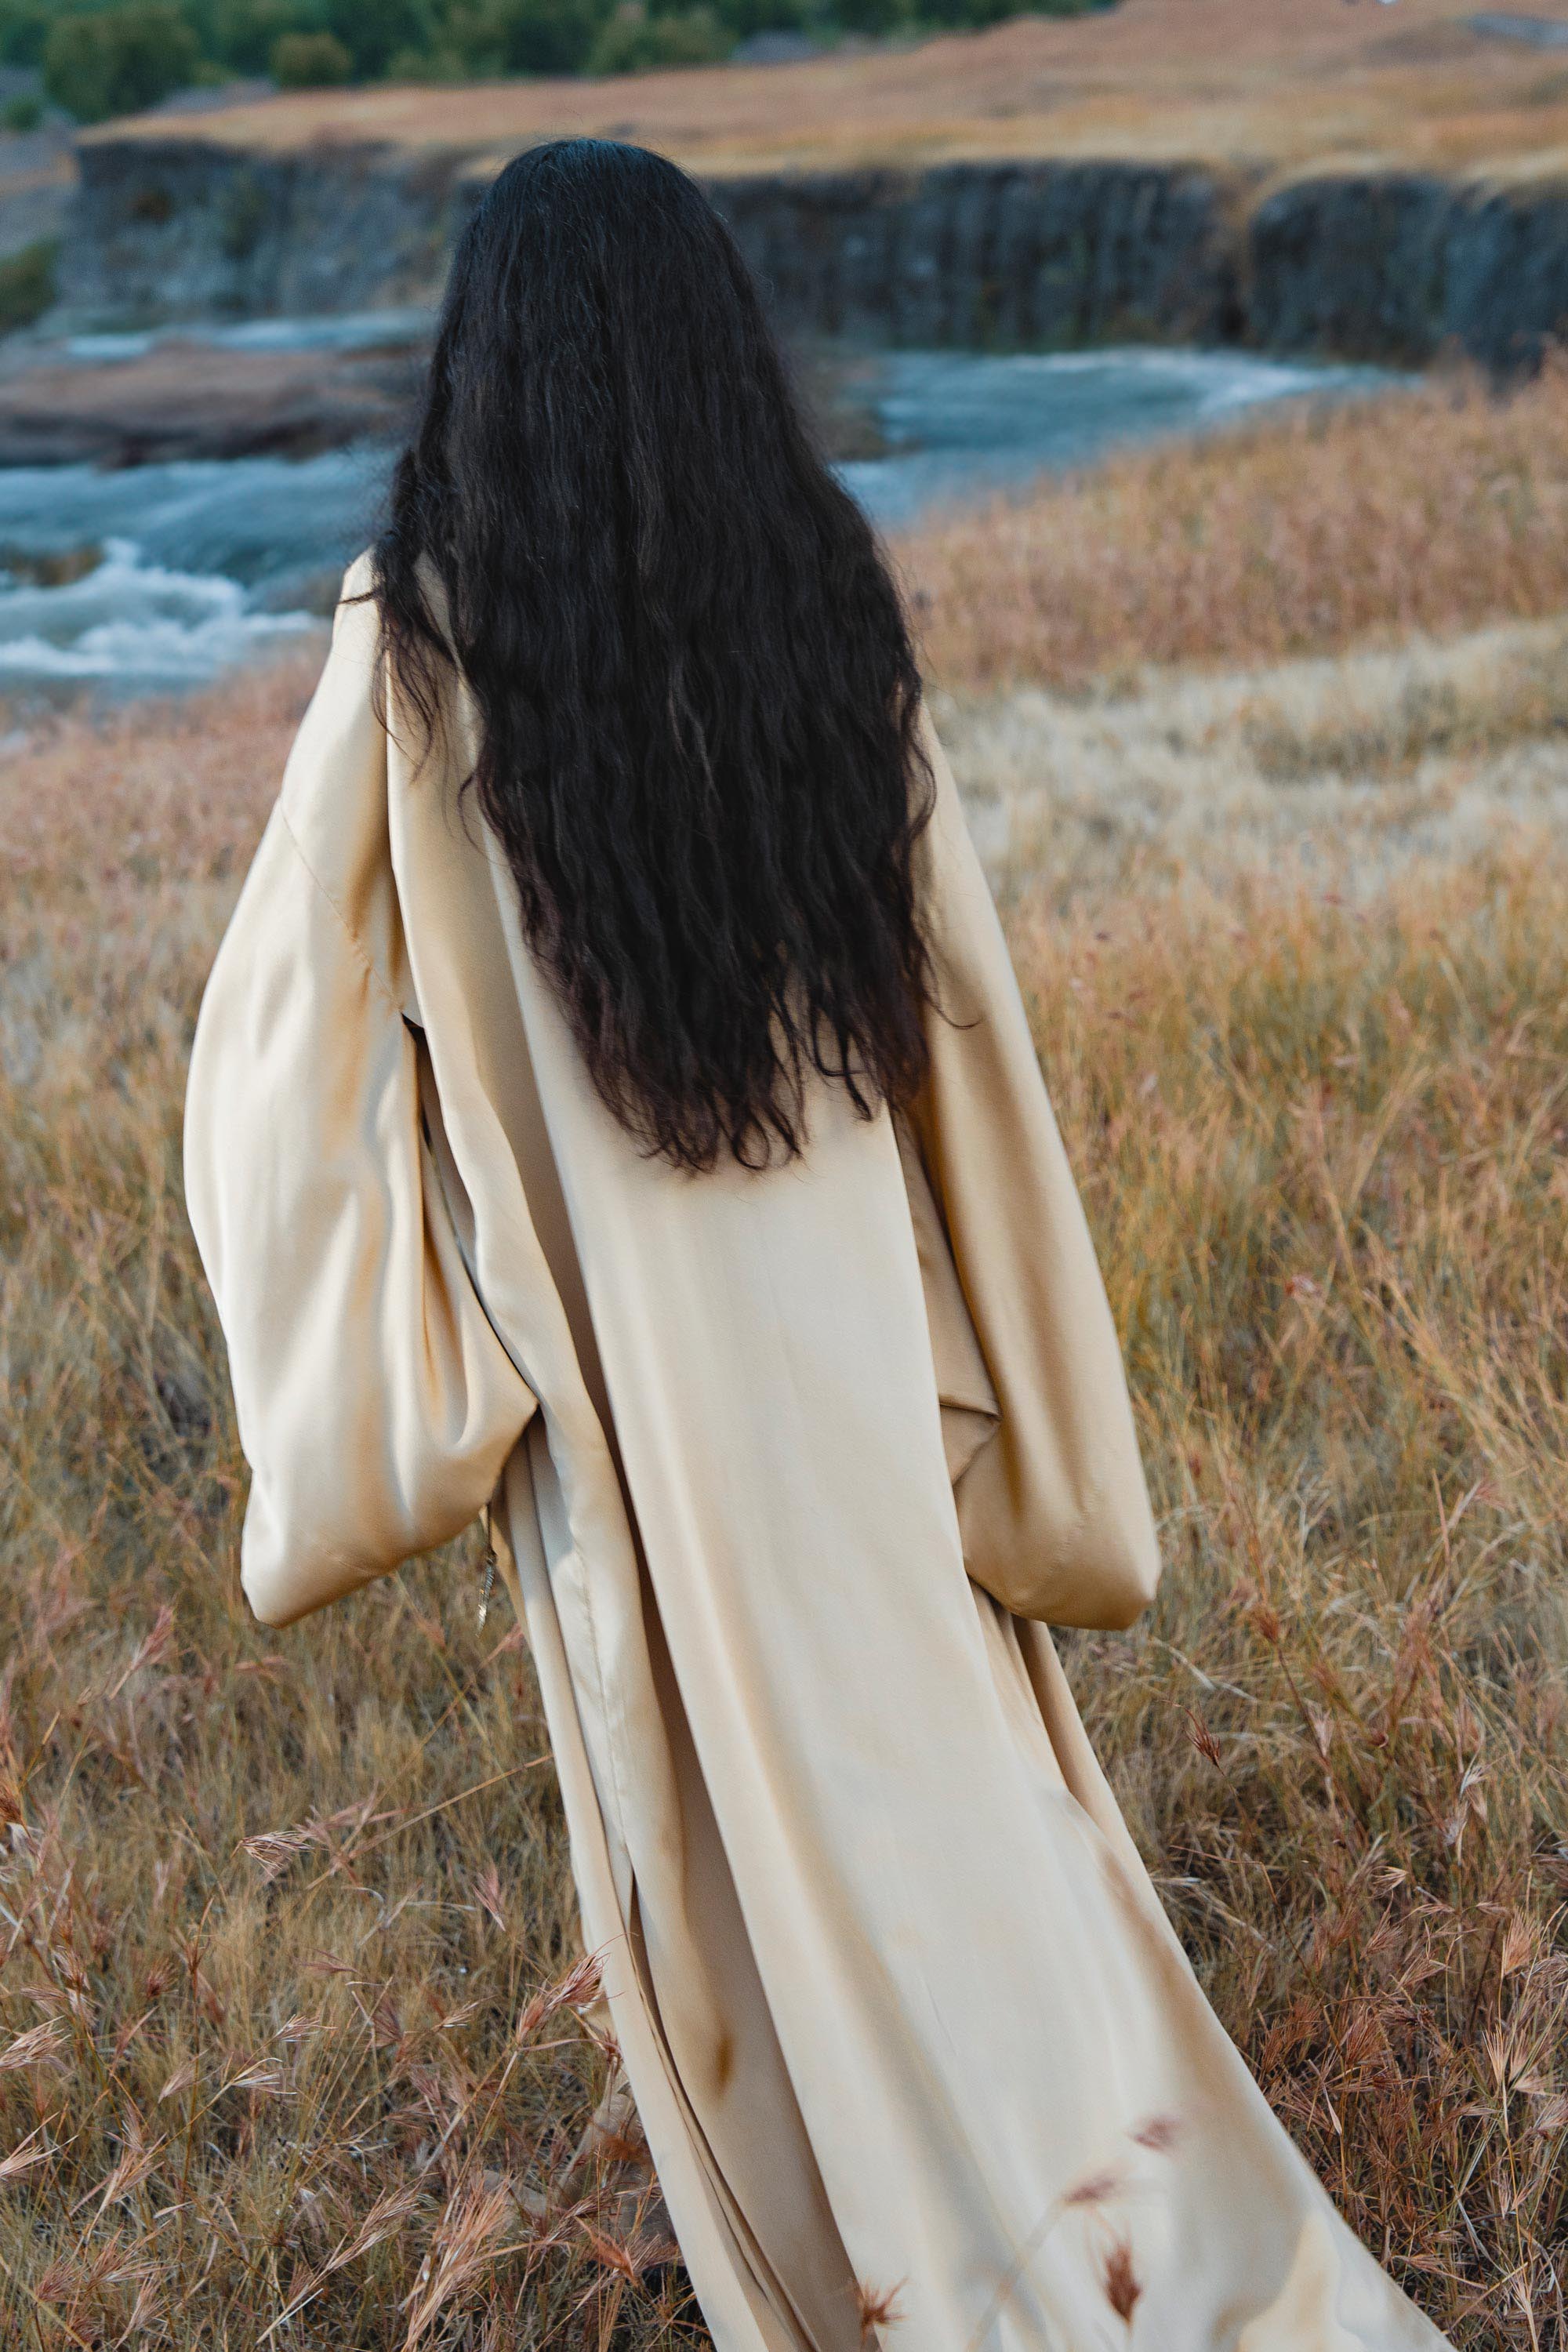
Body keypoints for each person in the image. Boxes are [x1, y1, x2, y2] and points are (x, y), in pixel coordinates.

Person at [183, 139, 1449, 2352]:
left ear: (485, 364)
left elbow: (279, 1054)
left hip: (635, 1408)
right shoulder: (822, 597)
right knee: (971, 1825)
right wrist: (1012, 1368)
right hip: (858, 1356)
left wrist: (441, 1357)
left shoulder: (419, 651)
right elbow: (965, 1017)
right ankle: (1142, 2257)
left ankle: (899, 2298)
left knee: (737, 1904)